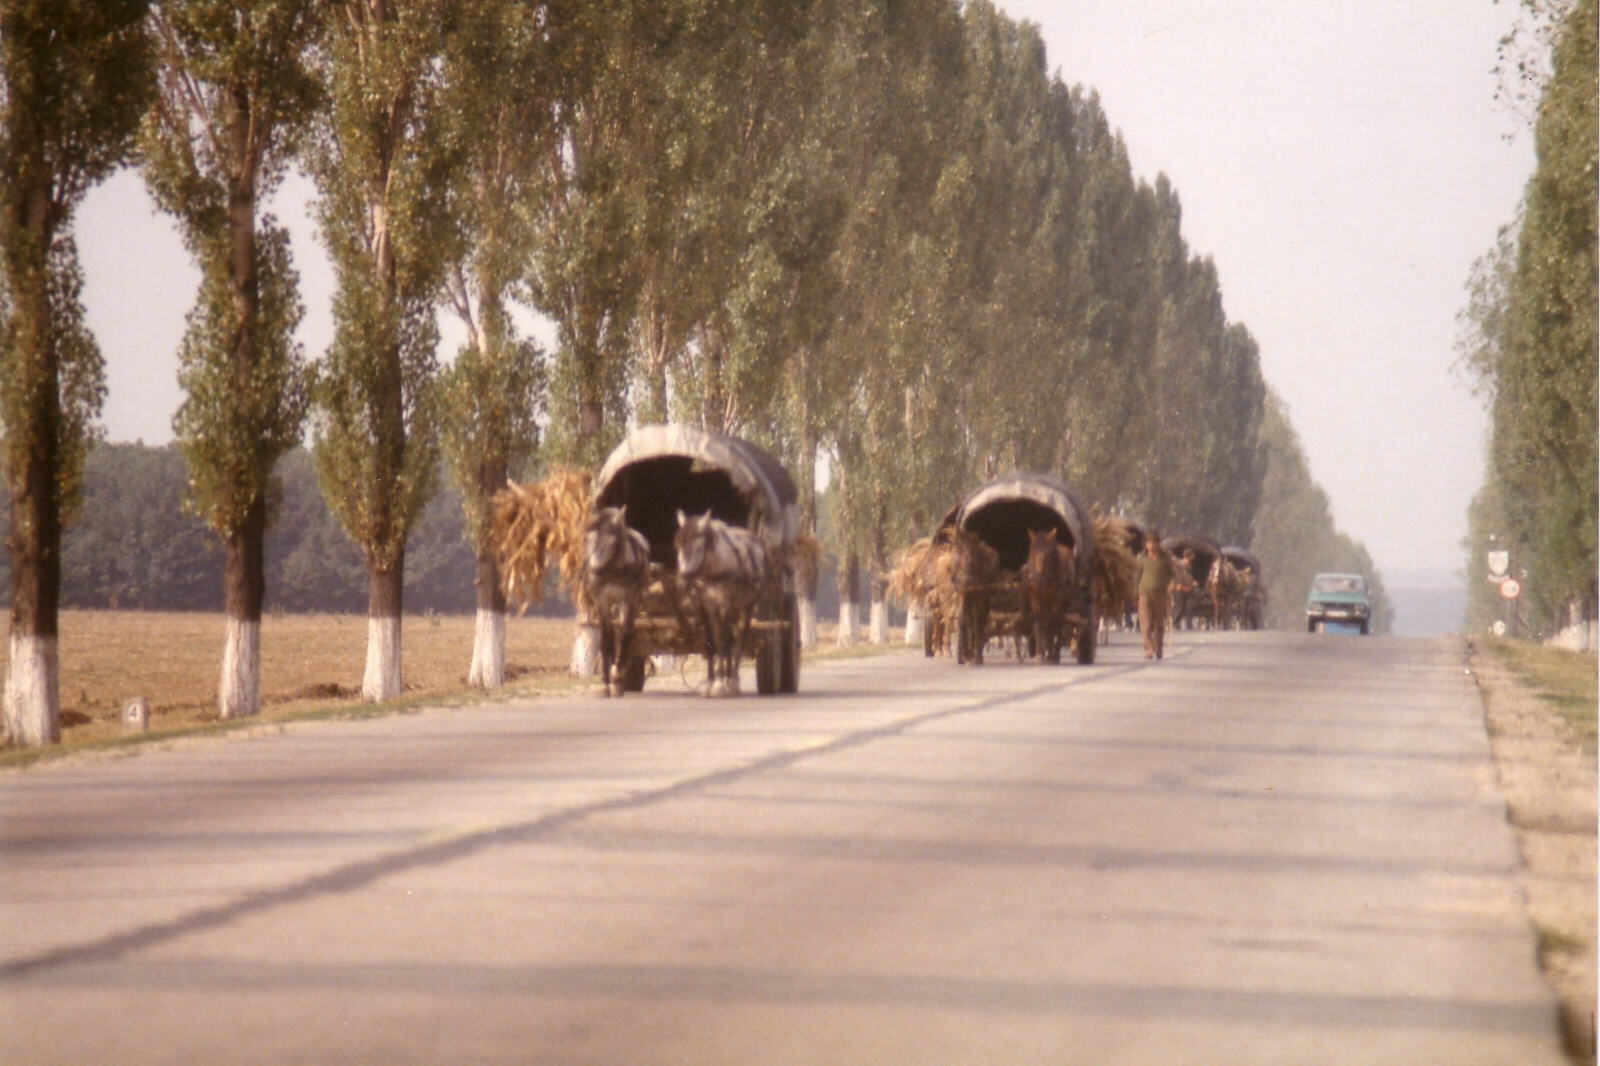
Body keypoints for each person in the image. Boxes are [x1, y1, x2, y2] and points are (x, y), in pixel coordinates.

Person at [1135, 530, 1175, 660]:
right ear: (1146, 545)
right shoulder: (1141, 559)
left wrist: (1171, 585)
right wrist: (1135, 593)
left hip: (1161, 595)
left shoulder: (1166, 559)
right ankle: (1149, 649)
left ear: (1159, 544)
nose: (1152, 546)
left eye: (1154, 543)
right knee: (1145, 624)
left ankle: (1159, 648)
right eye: (1149, 543)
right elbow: (1137, 576)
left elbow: (1173, 574)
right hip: (1144, 594)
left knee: (1159, 624)